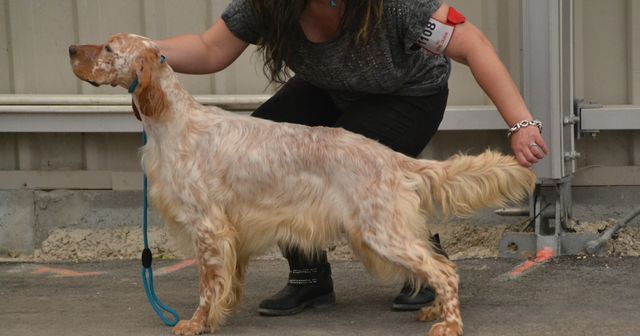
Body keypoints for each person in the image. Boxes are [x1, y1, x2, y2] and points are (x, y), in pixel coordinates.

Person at [156, 0, 549, 316]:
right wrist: (143, 50)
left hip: (409, 95)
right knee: (262, 155)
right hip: (328, 86)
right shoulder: (265, 5)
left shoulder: (398, 6)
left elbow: (474, 45)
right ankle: (309, 276)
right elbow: (209, 50)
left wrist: (521, 124)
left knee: (358, 174)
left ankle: (424, 263)